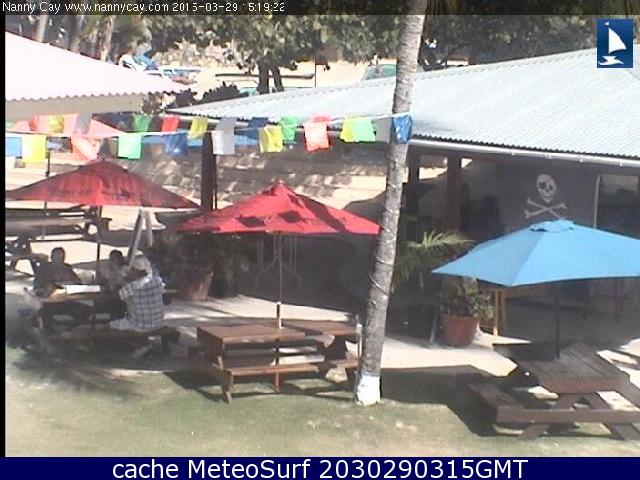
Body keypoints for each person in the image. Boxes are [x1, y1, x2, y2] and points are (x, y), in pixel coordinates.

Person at [33, 247, 92, 330]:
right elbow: (37, 284)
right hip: (49, 303)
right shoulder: (44, 268)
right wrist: (49, 284)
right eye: (58, 258)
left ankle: (68, 329)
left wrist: (72, 280)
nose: (60, 261)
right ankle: (50, 331)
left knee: (87, 310)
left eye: (62, 258)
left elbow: (78, 283)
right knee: (43, 313)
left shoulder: (67, 268)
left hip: (66, 301)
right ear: (52, 258)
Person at [110, 255, 165, 333]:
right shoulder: (158, 281)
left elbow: (116, 296)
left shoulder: (132, 287)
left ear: (135, 271)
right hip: (158, 323)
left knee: (110, 325)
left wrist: (122, 281)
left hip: (139, 325)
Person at [95, 250, 129, 319]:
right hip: (110, 294)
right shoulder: (106, 270)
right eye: (111, 259)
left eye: (114, 259)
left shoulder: (126, 269)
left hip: (123, 295)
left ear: (120, 259)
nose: (112, 261)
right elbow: (99, 282)